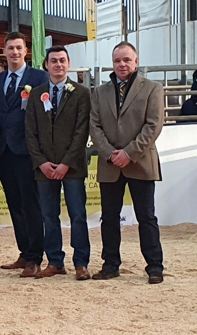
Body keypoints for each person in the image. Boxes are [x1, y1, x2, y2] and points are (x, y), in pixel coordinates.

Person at [89, 41, 165, 284]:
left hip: (141, 162)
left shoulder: (152, 88)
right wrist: (111, 153)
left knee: (146, 216)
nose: (121, 64)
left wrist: (129, 153)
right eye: (117, 61)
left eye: (126, 60)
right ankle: (110, 264)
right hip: (110, 164)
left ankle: (154, 266)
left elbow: (153, 126)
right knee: (109, 217)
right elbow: (95, 127)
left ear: (136, 61)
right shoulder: (99, 92)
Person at [24, 46, 92, 280]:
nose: (58, 65)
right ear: (46, 65)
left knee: (77, 215)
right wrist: (41, 162)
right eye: (53, 61)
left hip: (72, 167)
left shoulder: (82, 93)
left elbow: (82, 132)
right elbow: (30, 132)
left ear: (69, 63)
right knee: (49, 216)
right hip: (44, 168)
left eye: (62, 60)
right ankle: (54, 261)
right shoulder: (36, 94)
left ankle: (81, 263)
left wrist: (66, 163)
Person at [0, 31, 49, 277]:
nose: (14, 52)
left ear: (26, 51)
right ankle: (24, 253)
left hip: (27, 151)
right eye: (10, 48)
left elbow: (45, 114)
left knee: (31, 205)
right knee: (14, 205)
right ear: (4, 52)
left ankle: (36, 256)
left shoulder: (38, 77)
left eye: (18, 48)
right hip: (3, 152)